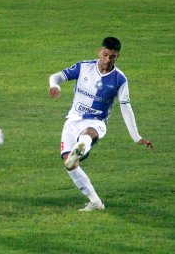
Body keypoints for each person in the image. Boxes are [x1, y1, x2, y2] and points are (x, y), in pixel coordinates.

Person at [49, 37, 153, 211]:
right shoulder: (83, 67)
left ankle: (83, 144)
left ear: (117, 57)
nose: (107, 60)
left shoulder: (119, 79)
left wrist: (137, 137)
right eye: (105, 55)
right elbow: (57, 76)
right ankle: (96, 202)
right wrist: (55, 85)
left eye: (112, 57)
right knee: (69, 164)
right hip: (73, 120)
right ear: (100, 51)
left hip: (96, 122)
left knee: (87, 134)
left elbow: (126, 108)